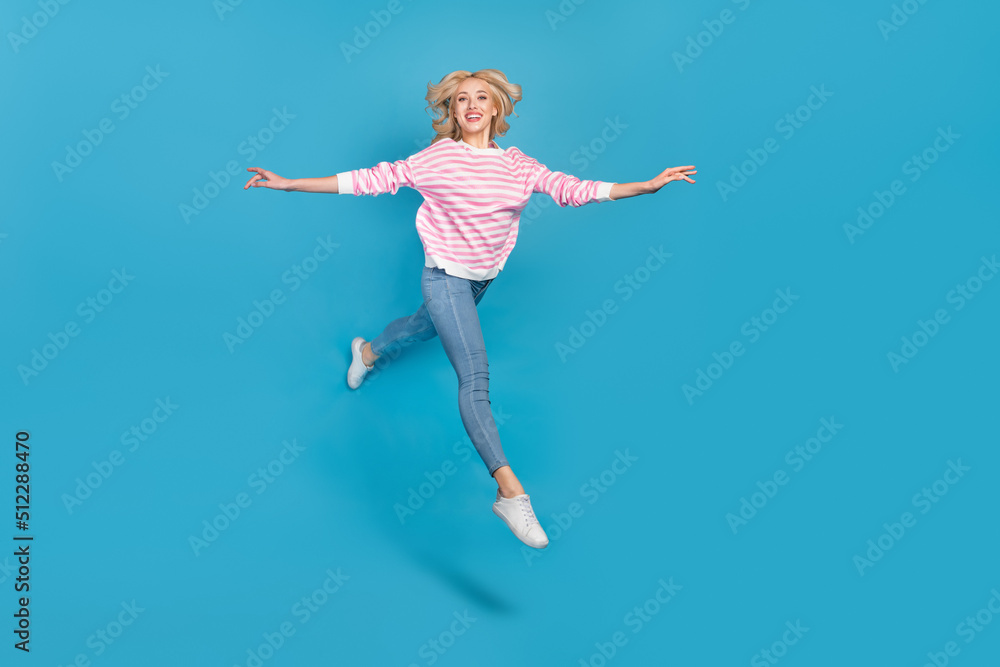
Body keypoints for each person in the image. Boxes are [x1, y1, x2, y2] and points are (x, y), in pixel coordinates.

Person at [243, 68, 695, 549]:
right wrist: (291, 184)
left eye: (482, 97)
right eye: (462, 100)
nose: (472, 105)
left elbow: (572, 189)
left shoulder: (519, 165)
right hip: (443, 276)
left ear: (497, 107)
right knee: (475, 376)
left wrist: (642, 186)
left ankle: (368, 352)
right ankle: (509, 491)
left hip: (481, 280)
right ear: (452, 111)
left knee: (422, 327)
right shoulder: (439, 159)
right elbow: (373, 179)